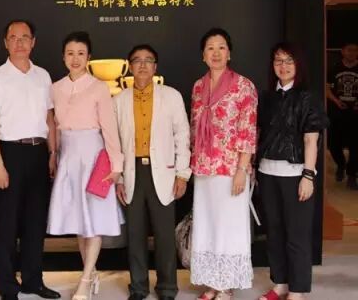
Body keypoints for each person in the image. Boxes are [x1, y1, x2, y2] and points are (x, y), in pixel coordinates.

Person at [0, 20, 60, 300]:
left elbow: (50, 118)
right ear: (5, 42)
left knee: (35, 222)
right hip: (10, 153)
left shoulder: (43, 76)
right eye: (13, 37)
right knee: (9, 223)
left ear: (33, 42)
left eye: (25, 37)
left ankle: (33, 281)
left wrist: (52, 153)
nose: (19, 42)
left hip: (39, 153)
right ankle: (7, 284)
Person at [47, 32, 124, 300]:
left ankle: (86, 278)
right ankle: (90, 273)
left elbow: (109, 128)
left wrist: (116, 165)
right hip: (68, 155)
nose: (75, 59)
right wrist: (53, 154)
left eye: (81, 53)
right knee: (80, 220)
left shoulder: (98, 87)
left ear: (89, 57)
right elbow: (54, 126)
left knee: (95, 219)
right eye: (70, 53)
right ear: (63, 57)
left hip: (93, 155)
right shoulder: (55, 88)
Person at [114, 44, 191, 300]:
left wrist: (182, 173)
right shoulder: (119, 100)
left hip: (164, 172)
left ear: (155, 67)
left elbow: (182, 135)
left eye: (148, 60)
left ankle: (167, 287)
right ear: (130, 67)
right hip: (132, 171)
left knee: (164, 235)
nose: (143, 65)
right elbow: (114, 143)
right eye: (137, 60)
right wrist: (118, 178)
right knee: (135, 234)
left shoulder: (171, 96)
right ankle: (138, 287)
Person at [189, 28, 257, 300]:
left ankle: (226, 284)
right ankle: (211, 281)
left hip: (230, 169)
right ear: (203, 55)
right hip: (204, 167)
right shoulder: (198, 86)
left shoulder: (243, 85)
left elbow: (247, 130)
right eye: (210, 48)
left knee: (229, 226)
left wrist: (242, 169)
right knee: (207, 223)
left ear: (229, 53)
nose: (216, 53)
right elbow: (194, 128)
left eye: (221, 47)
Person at [256, 42, 328, 300]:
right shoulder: (267, 97)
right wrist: (253, 167)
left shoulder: (307, 97)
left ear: (298, 65)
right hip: (267, 173)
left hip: (295, 174)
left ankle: (297, 290)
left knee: (297, 235)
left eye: (289, 60)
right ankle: (280, 284)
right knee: (274, 232)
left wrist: (308, 175)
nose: (283, 66)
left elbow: (311, 139)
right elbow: (259, 134)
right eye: (278, 60)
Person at [326, 40, 358, 188]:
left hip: (356, 114)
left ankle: (352, 175)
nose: (352, 53)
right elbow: (326, 88)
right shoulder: (334, 68)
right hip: (337, 113)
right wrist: (336, 101)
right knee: (333, 144)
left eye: (355, 50)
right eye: (349, 50)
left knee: (355, 146)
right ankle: (341, 164)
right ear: (343, 51)